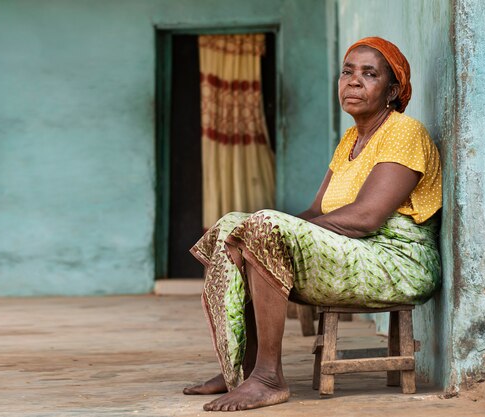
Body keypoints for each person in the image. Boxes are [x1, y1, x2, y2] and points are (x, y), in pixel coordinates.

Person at [183, 36, 442, 412]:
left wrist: (270, 230)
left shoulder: (404, 132)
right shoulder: (351, 139)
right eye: (347, 71)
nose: (353, 81)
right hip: (352, 252)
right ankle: (238, 367)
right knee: (234, 225)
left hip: (396, 262)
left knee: (263, 227)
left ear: (393, 90)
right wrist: (254, 229)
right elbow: (314, 211)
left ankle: (269, 377)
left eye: (369, 74)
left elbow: (367, 218)